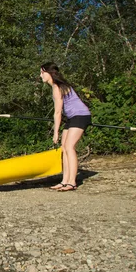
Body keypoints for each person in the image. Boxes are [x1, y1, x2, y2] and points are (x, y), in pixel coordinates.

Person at [40, 62, 91, 191]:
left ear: (49, 73)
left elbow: (57, 112)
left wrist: (56, 132)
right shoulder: (56, 87)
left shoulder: (58, 87)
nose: (40, 76)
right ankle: (64, 181)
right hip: (72, 117)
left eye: (42, 72)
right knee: (64, 148)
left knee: (69, 147)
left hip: (80, 116)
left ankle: (72, 182)